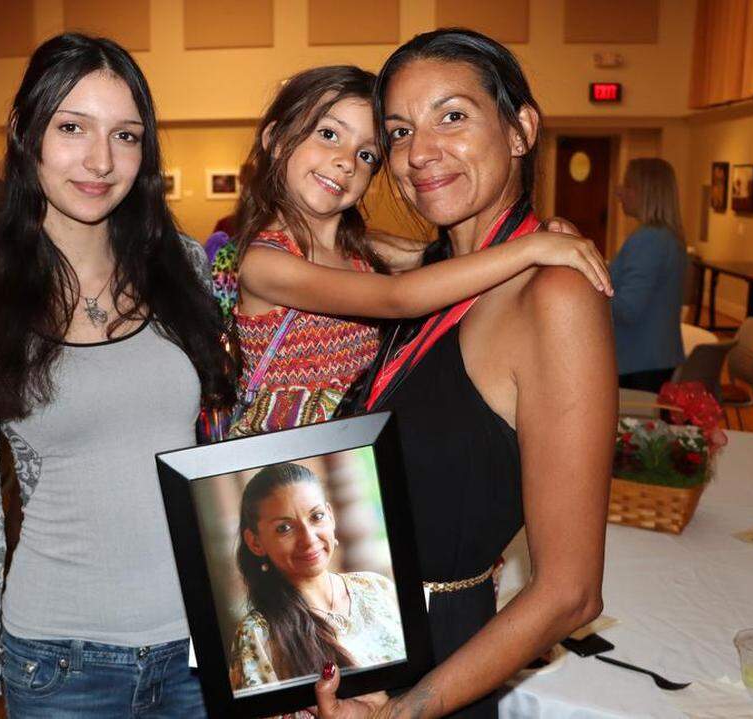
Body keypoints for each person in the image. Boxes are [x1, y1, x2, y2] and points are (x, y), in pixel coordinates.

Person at [0, 33, 234, 719]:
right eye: (72, 128)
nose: (100, 160)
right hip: (59, 662)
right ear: (23, 131)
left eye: (125, 135)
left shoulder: (185, 266)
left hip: (199, 644)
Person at [315, 29, 616, 718]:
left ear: (520, 130)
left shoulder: (554, 298)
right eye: (398, 131)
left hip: (439, 668)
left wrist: (405, 710)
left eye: (452, 115)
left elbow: (571, 591)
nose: (419, 152)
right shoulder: (428, 277)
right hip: (358, 645)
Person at [228, 65, 611, 437]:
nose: (346, 161)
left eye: (367, 155)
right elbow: (398, 299)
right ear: (275, 140)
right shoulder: (265, 263)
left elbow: (455, 258)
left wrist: (541, 231)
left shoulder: (360, 252)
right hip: (281, 455)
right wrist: (531, 248)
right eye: (328, 134)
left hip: (348, 451)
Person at [230, 463, 404, 693]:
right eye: (284, 528)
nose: (308, 538)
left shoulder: (377, 588)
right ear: (255, 542)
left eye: (316, 516)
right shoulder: (256, 634)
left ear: (330, 516)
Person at [609, 158, 688, 392]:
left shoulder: (649, 239)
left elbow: (628, 309)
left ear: (646, 192)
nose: (620, 193)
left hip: (639, 362)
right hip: (655, 358)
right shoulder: (667, 237)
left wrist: (589, 288)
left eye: (628, 186)